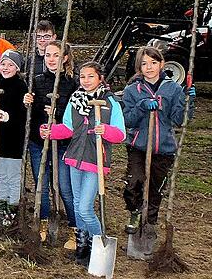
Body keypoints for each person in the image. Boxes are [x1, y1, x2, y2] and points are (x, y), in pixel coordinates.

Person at [42, 61, 126, 267]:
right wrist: (49, 131)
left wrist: (106, 130)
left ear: (100, 78)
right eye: (82, 76)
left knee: (85, 208)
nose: (85, 80)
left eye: (90, 76)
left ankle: (99, 244)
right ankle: (82, 247)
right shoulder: (75, 100)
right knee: (79, 207)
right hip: (74, 158)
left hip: (95, 160)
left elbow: (121, 133)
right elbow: (69, 128)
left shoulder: (110, 102)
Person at [121, 46, 194, 235]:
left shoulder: (173, 89)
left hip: (163, 148)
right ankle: (135, 212)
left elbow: (179, 120)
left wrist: (187, 102)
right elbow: (128, 120)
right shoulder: (132, 90)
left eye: (153, 63)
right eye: (144, 63)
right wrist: (141, 105)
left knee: (156, 186)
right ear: (139, 67)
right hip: (138, 145)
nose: (149, 67)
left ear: (162, 64)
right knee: (134, 182)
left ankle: (150, 220)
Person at [22, 41, 77, 248]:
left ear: (64, 58)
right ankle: (43, 224)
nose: (51, 59)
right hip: (39, 142)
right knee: (41, 186)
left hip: (63, 143)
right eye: (47, 55)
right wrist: (28, 102)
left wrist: (58, 114)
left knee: (65, 188)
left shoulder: (73, 84)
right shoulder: (36, 81)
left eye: (55, 55)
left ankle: (75, 229)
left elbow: (76, 116)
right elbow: (33, 113)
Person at [0, 50, 27, 221]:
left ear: (17, 68)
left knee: (13, 175)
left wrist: (7, 116)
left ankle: (12, 207)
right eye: (3, 64)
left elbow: (23, 113)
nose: (6, 68)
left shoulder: (20, 86)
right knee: (0, 174)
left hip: (14, 138)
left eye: (10, 65)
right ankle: (1, 207)